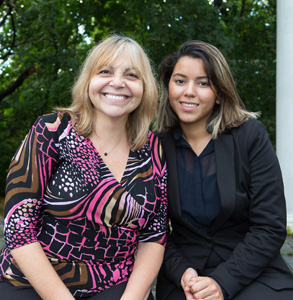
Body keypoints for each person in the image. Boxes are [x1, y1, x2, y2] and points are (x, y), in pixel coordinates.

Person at [0, 35, 168, 300]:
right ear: (88, 79)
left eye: (131, 75)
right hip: (32, 282)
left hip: (114, 284)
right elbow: (18, 228)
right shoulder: (52, 131)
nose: (117, 82)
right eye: (105, 71)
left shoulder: (152, 149)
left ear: (145, 88)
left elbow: (154, 235)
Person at [155, 40, 293, 300]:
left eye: (203, 83)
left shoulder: (250, 137)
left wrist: (222, 282)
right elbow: (154, 230)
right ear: (168, 87)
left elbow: (270, 226)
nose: (189, 91)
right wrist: (183, 272)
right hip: (185, 278)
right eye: (180, 81)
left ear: (219, 92)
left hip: (251, 272)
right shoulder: (155, 146)